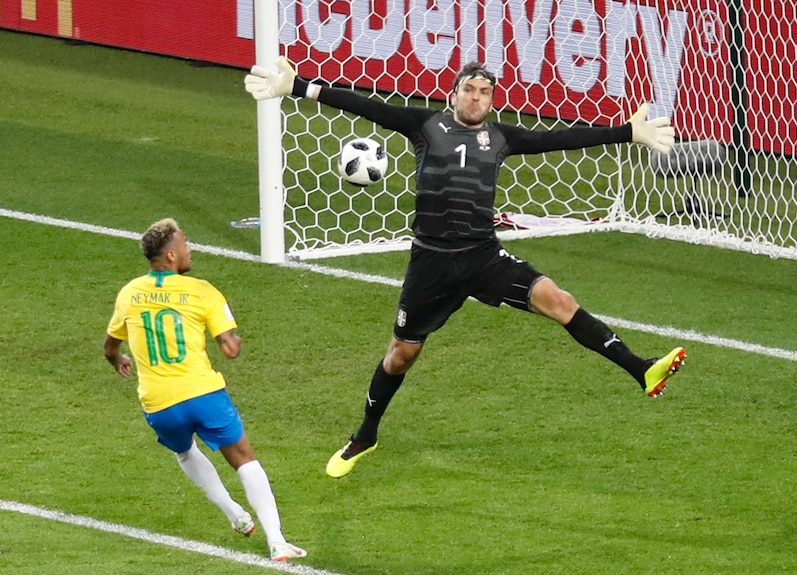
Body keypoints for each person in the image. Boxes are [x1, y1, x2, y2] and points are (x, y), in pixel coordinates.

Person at [245, 59, 687, 479]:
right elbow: (366, 106)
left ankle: (642, 369)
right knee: (401, 355)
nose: (476, 98)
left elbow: (560, 140)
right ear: (453, 94)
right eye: (469, 90)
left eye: (485, 93)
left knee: (560, 301)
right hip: (431, 263)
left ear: (492, 101)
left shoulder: (501, 137)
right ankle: (366, 435)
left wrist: (628, 132)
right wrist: (298, 87)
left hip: (483, 257)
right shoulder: (425, 125)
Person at [103, 218, 306, 561]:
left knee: (184, 452)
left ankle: (234, 514)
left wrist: (119, 360)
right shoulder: (202, 291)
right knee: (244, 460)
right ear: (170, 256)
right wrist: (234, 342)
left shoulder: (129, 293)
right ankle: (276, 540)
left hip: (158, 403)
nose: (189, 248)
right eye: (184, 243)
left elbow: (110, 348)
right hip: (202, 393)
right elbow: (229, 347)